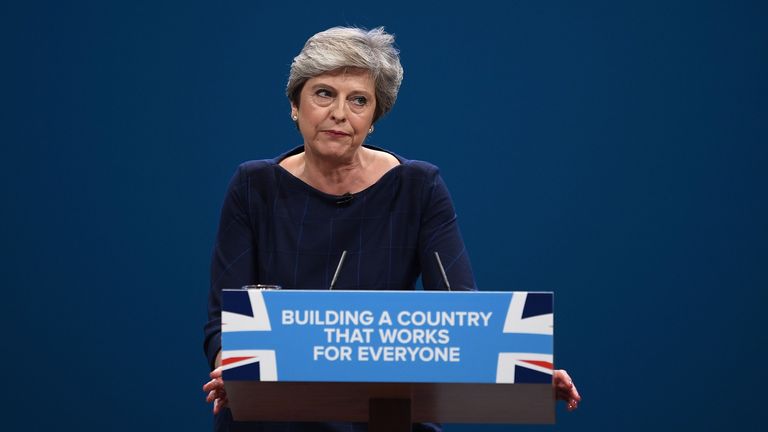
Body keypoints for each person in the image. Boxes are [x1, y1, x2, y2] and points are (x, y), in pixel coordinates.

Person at [203, 26, 580, 432]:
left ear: (374, 117)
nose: (340, 113)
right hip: (275, 416)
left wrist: (529, 376)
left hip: (385, 415)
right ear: (296, 104)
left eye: (359, 100)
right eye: (324, 93)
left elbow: (462, 318)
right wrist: (232, 368)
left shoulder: (418, 186)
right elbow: (223, 321)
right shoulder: (253, 186)